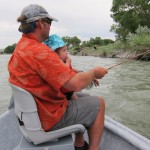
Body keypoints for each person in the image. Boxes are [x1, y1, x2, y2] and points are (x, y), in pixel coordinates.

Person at [8, 4, 107, 150]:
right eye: (50, 23)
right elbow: (74, 84)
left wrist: (84, 75)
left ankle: (79, 144)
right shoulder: (39, 52)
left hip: (35, 113)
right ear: (41, 23)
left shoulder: (21, 47)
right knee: (99, 103)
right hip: (48, 118)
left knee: (83, 96)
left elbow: (63, 77)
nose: (50, 27)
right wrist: (93, 73)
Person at [44, 34, 99, 100]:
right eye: (64, 51)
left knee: (84, 97)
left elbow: (71, 69)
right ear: (54, 53)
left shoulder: (63, 61)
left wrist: (81, 72)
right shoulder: (56, 63)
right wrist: (68, 62)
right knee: (81, 101)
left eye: (66, 50)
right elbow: (63, 72)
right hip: (63, 95)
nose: (66, 53)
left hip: (69, 92)